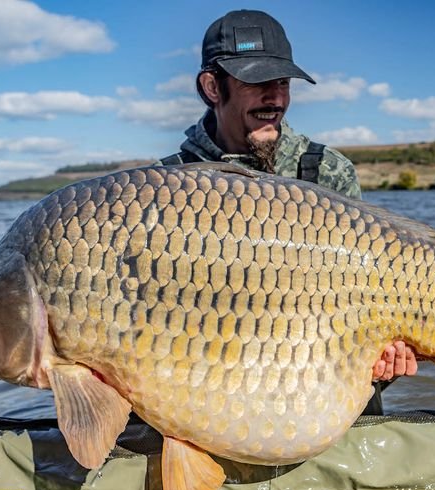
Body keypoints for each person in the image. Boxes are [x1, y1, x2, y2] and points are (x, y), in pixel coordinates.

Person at [159, 9, 416, 414]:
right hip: (216, 400)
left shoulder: (327, 171)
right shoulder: (165, 187)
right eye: (257, 82)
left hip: (322, 399)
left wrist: (386, 361)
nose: (275, 98)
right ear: (212, 86)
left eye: (282, 82)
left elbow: (375, 302)